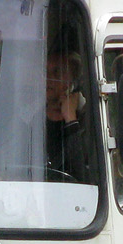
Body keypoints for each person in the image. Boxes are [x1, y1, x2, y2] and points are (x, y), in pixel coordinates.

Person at [45, 51, 90, 180]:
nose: (48, 78)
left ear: (73, 81)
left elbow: (82, 175)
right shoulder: (31, 119)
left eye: (56, 72)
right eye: (45, 72)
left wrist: (71, 120)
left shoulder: (89, 119)